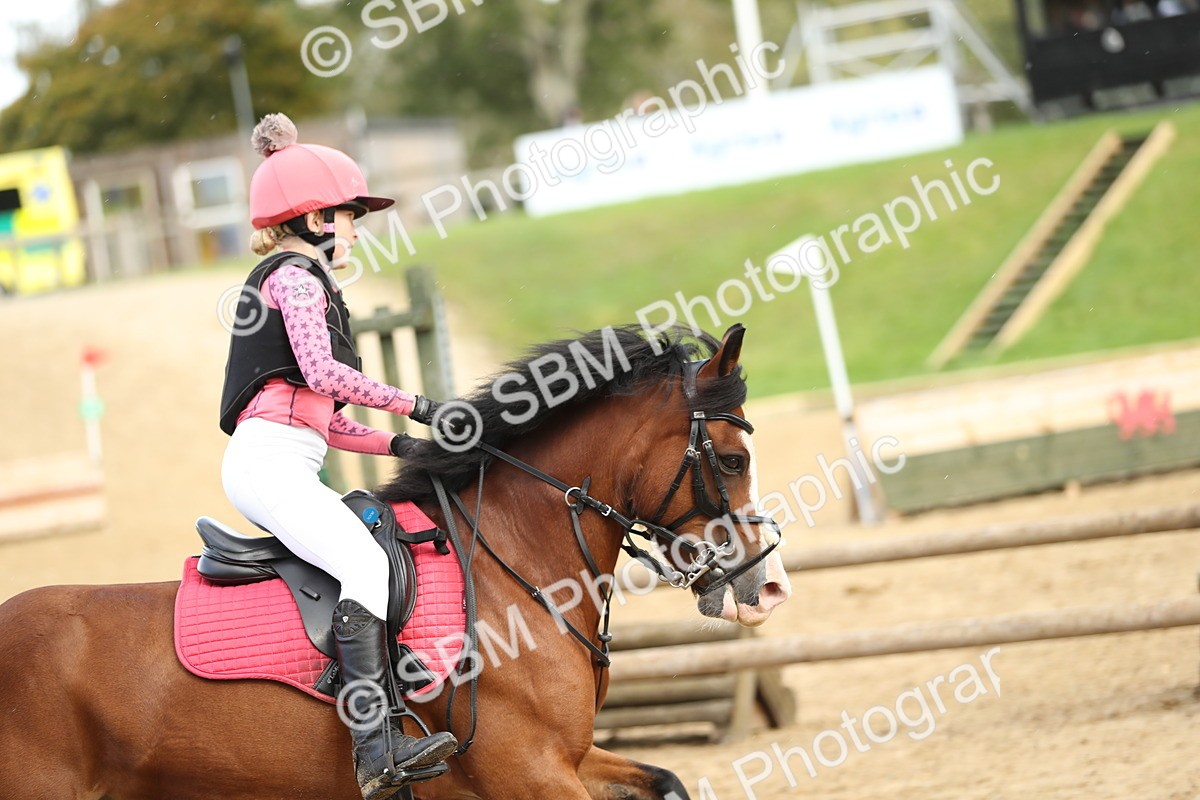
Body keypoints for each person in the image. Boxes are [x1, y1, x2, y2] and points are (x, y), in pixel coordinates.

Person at [219, 113, 455, 800]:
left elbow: (328, 419)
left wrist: (399, 444)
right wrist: (417, 404)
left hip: (286, 453)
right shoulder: (294, 279)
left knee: (368, 552)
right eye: (350, 216)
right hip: (268, 464)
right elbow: (324, 375)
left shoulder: (307, 280)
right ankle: (375, 747)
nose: (355, 229)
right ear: (318, 216)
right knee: (362, 561)